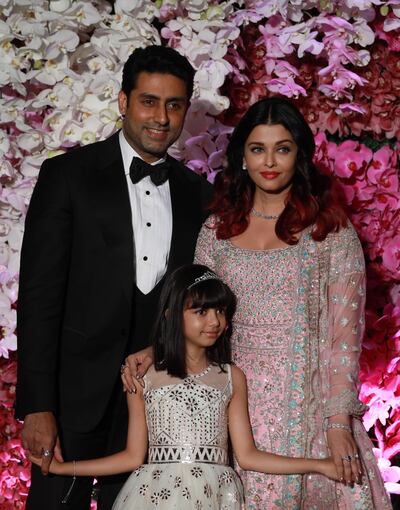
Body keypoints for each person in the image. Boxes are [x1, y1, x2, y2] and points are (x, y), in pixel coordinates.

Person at [123, 97, 392, 509]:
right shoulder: (217, 232)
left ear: (299, 156)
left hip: (308, 408)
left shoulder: (330, 234)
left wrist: (338, 423)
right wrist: (156, 350)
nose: (269, 161)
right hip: (227, 403)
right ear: (242, 158)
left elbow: (344, 340)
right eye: (257, 148)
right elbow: (197, 313)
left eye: (282, 148)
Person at [15, 45, 213, 510]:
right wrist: (37, 405)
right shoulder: (67, 176)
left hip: (157, 401)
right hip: (71, 398)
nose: (161, 117)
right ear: (124, 101)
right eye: (149, 101)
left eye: (174, 104)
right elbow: (39, 296)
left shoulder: (199, 195)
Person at [28, 264, 340, 509]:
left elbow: (247, 455)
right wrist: (62, 469)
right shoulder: (144, 377)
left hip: (217, 496)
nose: (214, 321)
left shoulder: (231, 377)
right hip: (155, 496)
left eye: (220, 311)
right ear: (171, 315)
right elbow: (132, 457)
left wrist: (319, 465)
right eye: (201, 311)